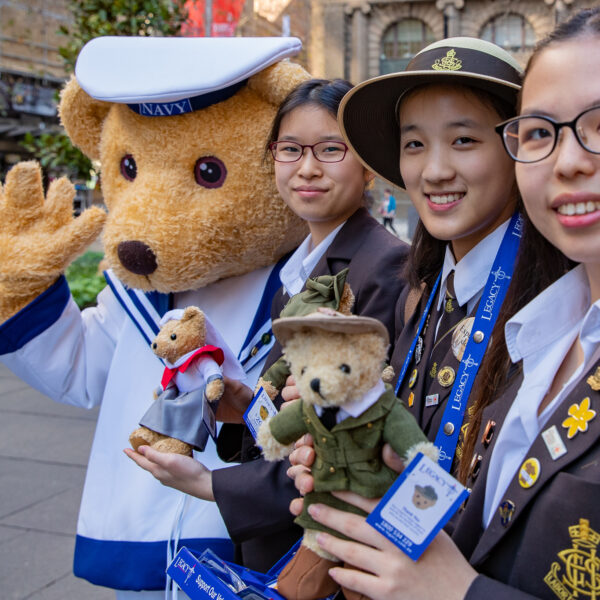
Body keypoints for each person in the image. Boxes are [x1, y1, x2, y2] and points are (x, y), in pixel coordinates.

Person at [290, 9, 600, 599]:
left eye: (463, 140)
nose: (434, 171)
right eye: (414, 144)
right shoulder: (425, 290)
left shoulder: (541, 315)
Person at [126, 78, 410, 573]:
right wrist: (244, 410)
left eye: (330, 149)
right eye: (290, 149)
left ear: (367, 164)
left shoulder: (382, 267)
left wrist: (204, 483)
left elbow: (350, 446)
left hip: (322, 551)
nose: (307, 168)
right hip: (279, 537)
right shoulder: (295, 272)